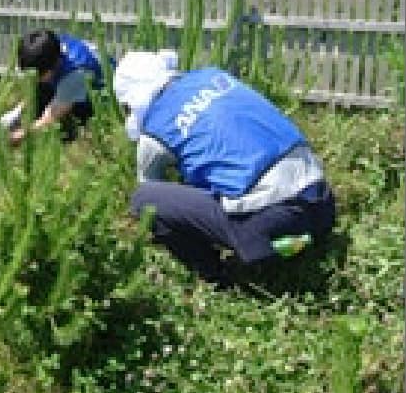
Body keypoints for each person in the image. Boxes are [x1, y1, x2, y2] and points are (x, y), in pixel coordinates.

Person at [113, 50, 336, 284]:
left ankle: (216, 276)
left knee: (144, 199)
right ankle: (303, 242)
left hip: (271, 225)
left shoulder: (154, 133)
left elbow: (152, 189)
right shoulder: (215, 77)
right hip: (321, 203)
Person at [1, 29, 113, 144]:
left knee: (60, 128)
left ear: (51, 68)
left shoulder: (75, 74)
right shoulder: (51, 44)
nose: (31, 78)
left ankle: (72, 133)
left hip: (100, 101)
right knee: (41, 92)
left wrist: (14, 137)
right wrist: (15, 113)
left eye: (36, 74)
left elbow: (48, 119)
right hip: (70, 80)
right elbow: (36, 87)